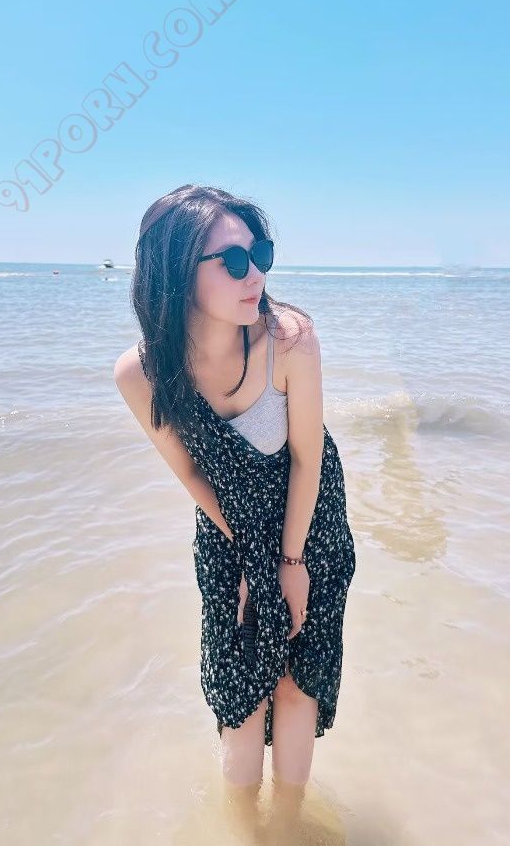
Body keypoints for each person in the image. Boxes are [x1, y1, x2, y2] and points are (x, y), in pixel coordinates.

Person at [113, 184, 356, 810]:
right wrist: (251, 562)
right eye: (235, 260)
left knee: (297, 681)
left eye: (261, 254)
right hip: (228, 528)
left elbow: (307, 460)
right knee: (240, 691)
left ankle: (290, 823)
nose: (257, 275)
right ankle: (240, 826)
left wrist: (290, 564)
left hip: (311, 520)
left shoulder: (290, 337)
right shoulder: (141, 373)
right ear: (175, 271)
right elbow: (193, 479)